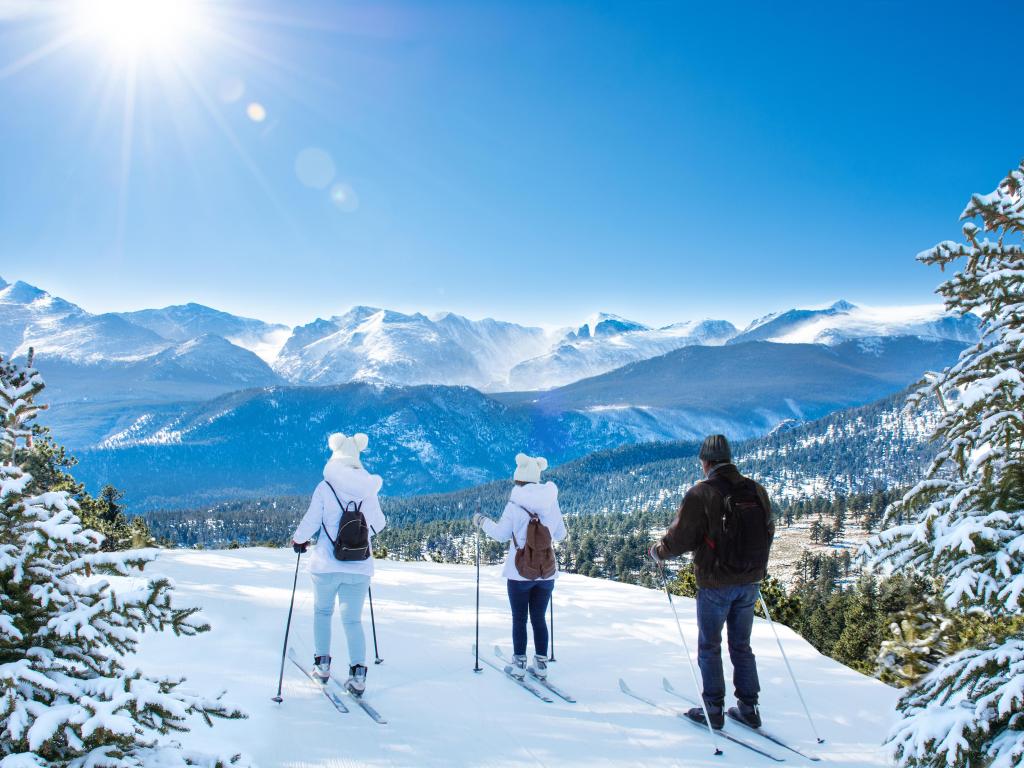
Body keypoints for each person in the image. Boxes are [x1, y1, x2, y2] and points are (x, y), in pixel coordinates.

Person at [649, 434, 774, 730]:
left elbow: (680, 539)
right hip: (751, 580)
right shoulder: (756, 489)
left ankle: (713, 709)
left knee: (710, 645)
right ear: (729, 459)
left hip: (716, 581)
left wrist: (658, 551)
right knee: (741, 645)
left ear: (705, 462)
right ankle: (749, 707)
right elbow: (768, 529)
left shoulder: (701, 493)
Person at [292, 432, 386, 695]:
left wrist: (299, 540)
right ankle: (358, 674)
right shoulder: (368, 491)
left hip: (326, 564)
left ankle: (322, 666)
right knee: (353, 621)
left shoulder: (325, 487)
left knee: (323, 613)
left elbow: (312, 520)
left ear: (335, 457)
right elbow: (379, 526)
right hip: (359, 567)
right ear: (357, 458)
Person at [473, 453, 566, 680]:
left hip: (519, 573)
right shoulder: (551, 503)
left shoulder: (514, 505)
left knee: (519, 618)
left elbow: (501, 534)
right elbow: (561, 535)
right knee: (539, 618)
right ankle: (541, 664)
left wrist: (482, 521)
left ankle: (519, 663)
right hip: (546, 573)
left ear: (519, 479)